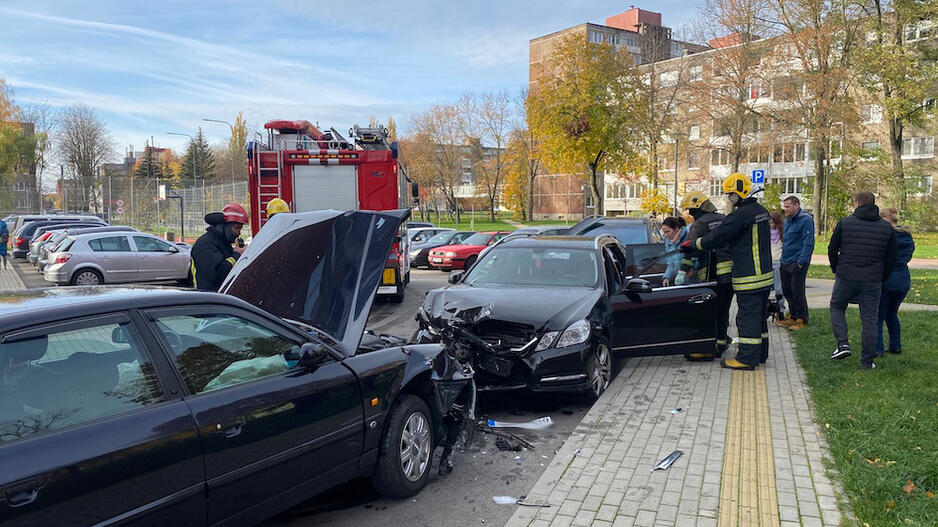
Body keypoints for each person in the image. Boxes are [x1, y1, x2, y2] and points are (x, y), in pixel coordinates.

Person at [684, 173, 773, 370]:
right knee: (759, 318)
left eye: (731, 194)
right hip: (764, 276)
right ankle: (760, 354)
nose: (729, 198)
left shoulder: (741, 214)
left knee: (747, 318)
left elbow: (720, 235)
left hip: (749, 276)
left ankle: (746, 359)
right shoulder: (760, 211)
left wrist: (695, 244)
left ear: (741, 191)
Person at [828, 191, 897, 370]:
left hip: (846, 275)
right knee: (870, 321)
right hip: (872, 279)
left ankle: (842, 343)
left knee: (837, 307)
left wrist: (837, 268)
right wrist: (882, 276)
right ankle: (867, 361)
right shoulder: (886, 227)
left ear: (857, 204)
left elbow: (832, 249)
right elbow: (891, 258)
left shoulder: (845, 223)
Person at [680, 191, 734, 359]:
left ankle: (708, 348)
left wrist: (683, 271)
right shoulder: (724, 219)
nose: (689, 213)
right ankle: (721, 343)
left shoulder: (699, 224)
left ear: (696, 209)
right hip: (731, 274)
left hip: (712, 275)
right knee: (723, 310)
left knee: (709, 311)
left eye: (690, 210)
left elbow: (690, 249)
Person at [876, 207, 914, 357]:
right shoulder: (907, 237)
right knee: (892, 314)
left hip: (887, 279)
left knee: (878, 316)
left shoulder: (886, 236)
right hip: (903, 279)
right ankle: (895, 345)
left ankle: (878, 348)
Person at [190, 203, 249, 292]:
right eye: (236, 228)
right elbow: (217, 274)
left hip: (221, 296)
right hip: (208, 297)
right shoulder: (205, 244)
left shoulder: (222, 243)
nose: (239, 233)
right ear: (223, 226)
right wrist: (236, 255)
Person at [777, 196, 814, 330]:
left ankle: (802, 319)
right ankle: (793, 316)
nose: (785, 209)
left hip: (797, 261)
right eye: (785, 207)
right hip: (785, 260)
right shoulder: (788, 220)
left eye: (788, 207)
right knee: (787, 290)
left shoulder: (806, 220)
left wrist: (801, 262)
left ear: (797, 205)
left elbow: (808, 241)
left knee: (797, 291)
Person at [661, 216, 688, 287]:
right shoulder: (668, 243)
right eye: (664, 232)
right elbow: (670, 264)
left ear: (676, 229)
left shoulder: (688, 236)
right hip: (679, 281)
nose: (665, 235)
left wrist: (688, 273)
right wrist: (667, 277)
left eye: (668, 232)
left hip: (692, 281)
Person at [769, 212, 787, 319]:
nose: (771, 225)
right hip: (768, 263)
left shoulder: (783, 233)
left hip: (778, 262)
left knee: (779, 289)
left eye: (773, 223)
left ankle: (780, 310)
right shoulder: (766, 233)